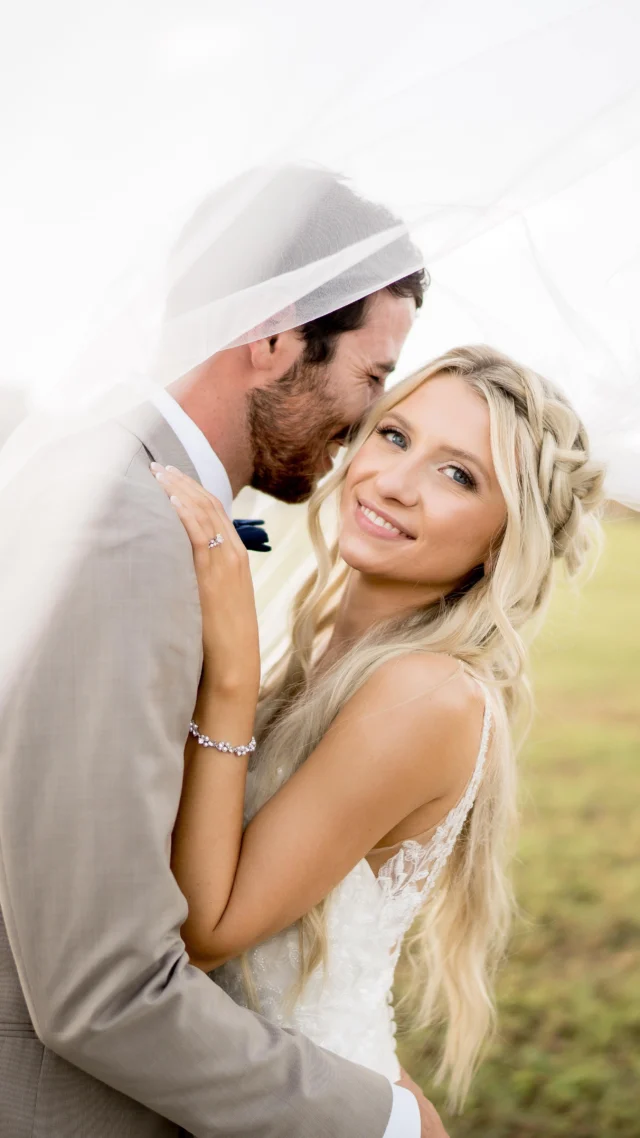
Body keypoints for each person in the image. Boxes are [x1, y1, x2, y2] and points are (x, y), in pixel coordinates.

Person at [0, 168, 441, 1137]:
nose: (366, 421)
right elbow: (101, 989)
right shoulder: (121, 525)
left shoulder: (105, 473)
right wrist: (381, 1123)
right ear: (275, 336)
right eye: (370, 376)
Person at [153, 344, 605, 1110]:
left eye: (458, 475)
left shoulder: (428, 695)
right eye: (395, 436)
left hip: (313, 1115)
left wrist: (230, 673)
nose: (393, 483)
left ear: (503, 542)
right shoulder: (333, 652)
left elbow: (209, 929)